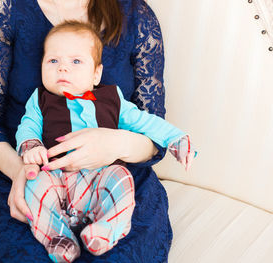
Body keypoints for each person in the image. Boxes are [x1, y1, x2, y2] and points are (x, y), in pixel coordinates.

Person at [0, 0, 182, 261]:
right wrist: (22, 171)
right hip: (32, 173)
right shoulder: (0, 9)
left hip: (117, 175)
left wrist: (115, 144)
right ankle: (57, 237)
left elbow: (155, 132)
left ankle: (106, 229)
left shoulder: (137, 17)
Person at [16, 21, 195, 262]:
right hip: (55, 176)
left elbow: (144, 121)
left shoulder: (113, 99)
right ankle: (58, 238)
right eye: (53, 61)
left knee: (122, 177)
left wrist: (176, 138)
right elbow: (27, 126)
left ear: (96, 73)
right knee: (33, 184)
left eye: (76, 61)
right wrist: (30, 144)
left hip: (99, 178)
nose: (63, 69)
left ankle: (104, 230)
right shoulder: (39, 99)